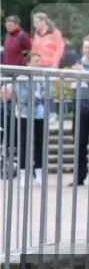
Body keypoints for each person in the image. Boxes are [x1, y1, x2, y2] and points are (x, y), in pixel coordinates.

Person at [4, 52, 47, 185]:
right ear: (28, 63)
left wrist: (38, 98)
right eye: (35, 61)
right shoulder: (22, 77)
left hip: (39, 114)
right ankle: (24, 175)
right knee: (24, 144)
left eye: (39, 61)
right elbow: (23, 96)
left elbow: (47, 93)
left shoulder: (44, 76)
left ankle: (39, 174)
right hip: (24, 114)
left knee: (39, 144)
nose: (38, 64)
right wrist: (37, 97)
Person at [69, 37, 89, 185]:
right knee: (80, 143)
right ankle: (79, 177)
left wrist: (85, 75)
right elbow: (74, 86)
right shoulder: (78, 63)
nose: (87, 50)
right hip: (80, 108)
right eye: (85, 47)